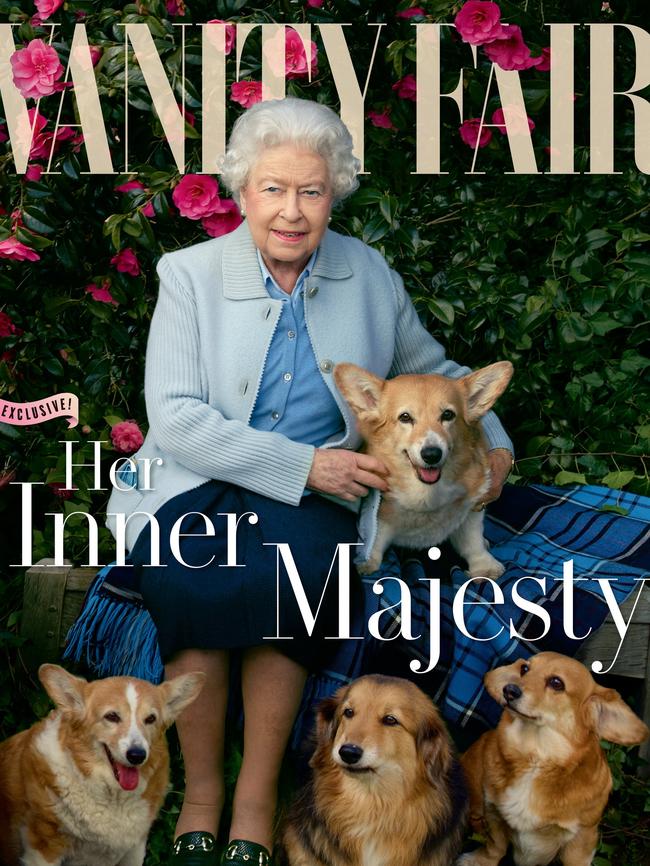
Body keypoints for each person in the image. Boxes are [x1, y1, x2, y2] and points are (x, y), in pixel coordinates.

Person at [106, 97, 513, 866]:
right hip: (197, 478)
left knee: (296, 584)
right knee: (194, 583)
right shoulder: (188, 275)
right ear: (241, 190)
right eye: (273, 189)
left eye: (312, 191)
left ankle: (255, 806)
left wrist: (495, 445)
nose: (292, 212)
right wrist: (303, 464)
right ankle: (200, 800)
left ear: (335, 193)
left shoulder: (365, 271)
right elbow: (178, 417)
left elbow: (438, 373)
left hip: (320, 494)